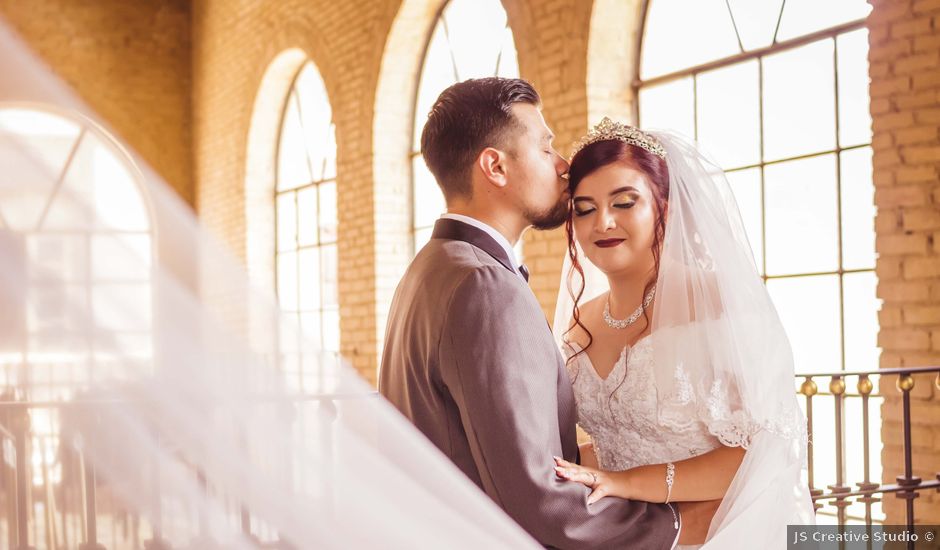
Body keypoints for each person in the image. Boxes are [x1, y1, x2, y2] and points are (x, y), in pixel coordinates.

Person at [380, 80, 690, 548]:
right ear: (496, 166)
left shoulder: (429, 269)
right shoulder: (485, 287)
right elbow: (537, 497)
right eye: (546, 148)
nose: (563, 164)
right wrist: (677, 527)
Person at [550, 119, 815, 548]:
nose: (603, 223)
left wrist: (628, 482)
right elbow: (622, 438)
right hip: (625, 533)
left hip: (716, 533)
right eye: (584, 208)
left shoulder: (718, 306)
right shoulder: (583, 319)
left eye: (623, 203)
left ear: (664, 209)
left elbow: (762, 452)